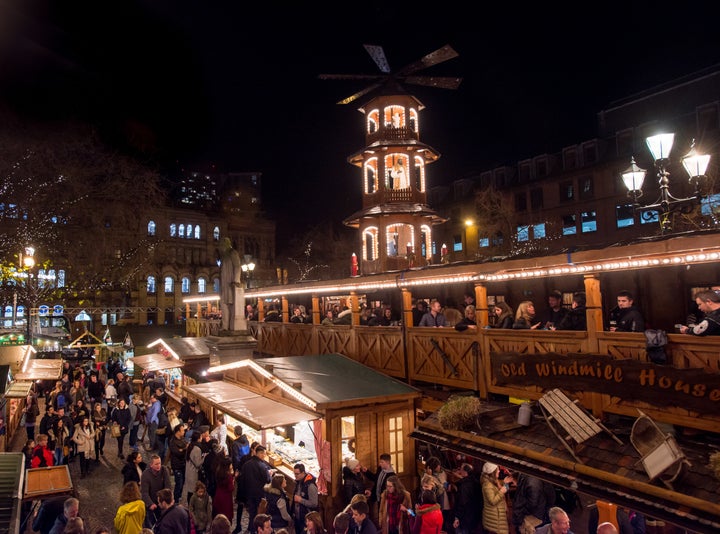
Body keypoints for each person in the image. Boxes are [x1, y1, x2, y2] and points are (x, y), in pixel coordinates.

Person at [219, 236, 243, 332]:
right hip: (224, 283)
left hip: (231, 282)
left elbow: (237, 266)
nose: (220, 246)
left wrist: (236, 280)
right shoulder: (224, 256)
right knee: (224, 303)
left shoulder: (233, 252)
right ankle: (225, 326)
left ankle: (232, 326)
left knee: (231, 303)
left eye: (221, 244)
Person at [480, 462, 512, 534]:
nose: (499, 471)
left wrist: (504, 482)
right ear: (492, 472)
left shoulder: (492, 481)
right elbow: (492, 501)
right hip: (494, 519)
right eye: (497, 470)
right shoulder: (487, 485)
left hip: (496, 515)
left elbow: (496, 488)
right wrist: (501, 492)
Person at [141, 454, 171, 528]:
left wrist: (165, 501)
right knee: (150, 525)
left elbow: (168, 487)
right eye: (156, 464)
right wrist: (150, 503)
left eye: (160, 463)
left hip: (161, 501)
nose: (159, 465)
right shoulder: (145, 475)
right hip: (151, 502)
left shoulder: (164, 470)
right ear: (151, 465)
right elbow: (144, 492)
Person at [364, 453, 395, 524]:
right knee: (380, 514)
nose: (380, 464)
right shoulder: (380, 469)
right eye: (380, 462)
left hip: (385, 499)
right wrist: (367, 472)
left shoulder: (392, 475)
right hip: (378, 497)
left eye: (382, 462)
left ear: (388, 462)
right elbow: (375, 479)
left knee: (386, 516)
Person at [452, 463, 482, 534]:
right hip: (474, 517)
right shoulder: (476, 483)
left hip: (464, 519)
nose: (459, 471)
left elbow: (462, 502)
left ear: (465, 472)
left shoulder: (464, 486)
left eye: (461, 470)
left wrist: (457, 517)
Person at [292, 462, 318, 534]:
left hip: (306, 519)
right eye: (294, 473)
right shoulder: (298, 482)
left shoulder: (310, 486)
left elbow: (314, 503)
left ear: (303, 473)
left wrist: (301, 500)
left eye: (297, 474)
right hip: (298, 518)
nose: (295, 476)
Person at [169, 423, 189, 503]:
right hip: (177, 466)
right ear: (177, 432)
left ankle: (179, 495)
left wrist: (183, 449)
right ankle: (176, 499)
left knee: (183, 482)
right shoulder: (173, 442)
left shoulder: (182, 439)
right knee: (179, 483)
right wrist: (184, 449)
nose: (184, 432)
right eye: (182, 431)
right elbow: (178, 453)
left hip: (183, 464)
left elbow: (184, 448)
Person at [213, 456, 235, 523]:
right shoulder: (229, 476)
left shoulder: (218, 472)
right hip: (226, 498)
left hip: (218, 495)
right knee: (226, 516)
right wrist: (233, 480)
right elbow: (231, 488)